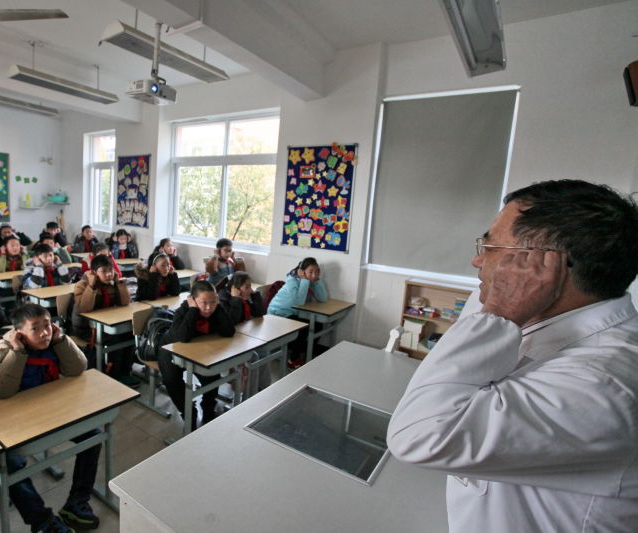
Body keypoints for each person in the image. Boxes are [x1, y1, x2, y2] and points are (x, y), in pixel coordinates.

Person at [387, 180, 638, 533]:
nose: (477, 259)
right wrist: (501, 303)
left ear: (543, 265)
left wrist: (502, 309)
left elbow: (418, 436)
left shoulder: (604, 384)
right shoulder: (546, 322)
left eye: (490, 246)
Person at [0, 304, 101, 532]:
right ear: (19, 333)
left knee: (94, 435)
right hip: (13, 422)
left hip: (50, 413)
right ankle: (41, 521)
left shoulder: (55, 342)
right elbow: (1, 390)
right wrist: (17, 351)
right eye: (35, 328)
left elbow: (78, 368)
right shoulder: (1, 350)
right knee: (11, 463)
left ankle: (77, 502)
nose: (44, 333)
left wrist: (62, 340)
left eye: (47, 325)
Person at [159, 281, 235, 428]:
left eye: (212, 302)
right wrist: (193, 310)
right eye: (203, 302)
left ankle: (208, 409)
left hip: (198, 351)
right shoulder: (182, 311)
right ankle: (188, 412)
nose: (208, 307)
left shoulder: (215, 309)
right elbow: (183, 337)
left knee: (212, 376)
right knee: (172, 381)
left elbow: (229, 331)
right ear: (192, 300)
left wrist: (218, 306)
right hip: (170, 350)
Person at [267, 257, 327, 367]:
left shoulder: (309, 280)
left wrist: (317, 280)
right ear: (302, 272)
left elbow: (322, 298)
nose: (314, 275)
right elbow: (299, 302)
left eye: (317, 272)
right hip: (278, 314)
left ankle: (305, 354)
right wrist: (304, 280)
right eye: (311, 272)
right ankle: (293, 359)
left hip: (291, 313)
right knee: (303, 328)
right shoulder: (292, 282)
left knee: (318, 325)